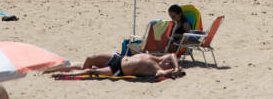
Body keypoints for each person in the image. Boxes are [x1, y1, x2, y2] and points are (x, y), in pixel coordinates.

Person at [53, 52, 183, 79]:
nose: (168, 62)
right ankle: (57, 68)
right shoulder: (157, 58)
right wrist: (176, 66)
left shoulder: (157, 69)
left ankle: (65, 74)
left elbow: (162, 74)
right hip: (117, 58)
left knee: (91, 71)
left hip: (118, 69)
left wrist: (172, 71)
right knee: (89, 58)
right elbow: (172, 54)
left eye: (169, 65)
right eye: (168, 62)